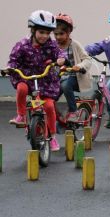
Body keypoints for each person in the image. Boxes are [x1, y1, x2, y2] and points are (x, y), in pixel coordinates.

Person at [7, 10, 66, 151]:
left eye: (47, 33)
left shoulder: (51, 45)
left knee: (49, 107)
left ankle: (52, 137)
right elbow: (13, 60)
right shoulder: (22, 44)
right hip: (26, 78)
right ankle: (21, 115)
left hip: (45, 81)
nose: (44, 36)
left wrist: (61, 59)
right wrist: (10, 68)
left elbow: (60, 53)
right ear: (33, 30)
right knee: (22, 88)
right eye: (41, 32)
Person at [53, 13, 95, 120]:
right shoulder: (53, 46)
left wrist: (80, 66)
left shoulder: (74, 45)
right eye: (55, 34)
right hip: (58, 77)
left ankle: (74, 111)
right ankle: (58, 119)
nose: (58, 37)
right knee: (49, 97)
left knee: (66, 85)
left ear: (68, 32)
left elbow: (87, 59)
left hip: (74, 77)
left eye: (61, 34)